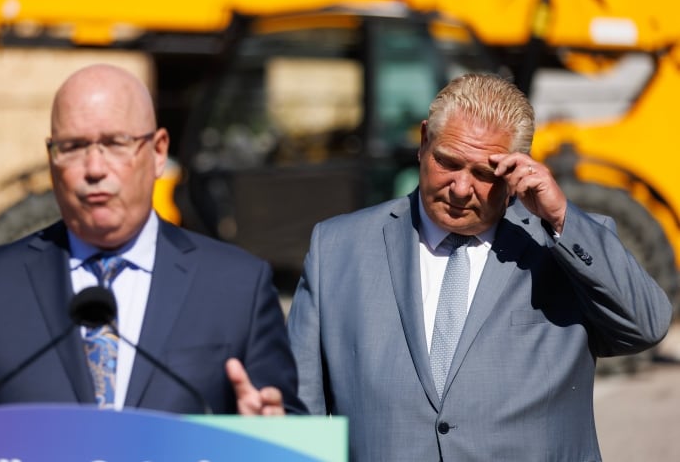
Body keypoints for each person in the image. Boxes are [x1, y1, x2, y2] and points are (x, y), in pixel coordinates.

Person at [287, 73, 672, 460]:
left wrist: (560, 218)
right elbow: (299, 411)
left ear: (517, 169)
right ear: (424, 142)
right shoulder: (337, 248)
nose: (459, 187)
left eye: (484, 174)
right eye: (448, 162)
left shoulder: (559, 244)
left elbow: (647, 326)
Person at [0, 64, 304, 416]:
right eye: (73, 147)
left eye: (115, 143)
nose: (94, 168)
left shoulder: (237, 287)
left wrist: (271, 432)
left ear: (157, 152)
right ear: (51, 159)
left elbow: (290, 428)